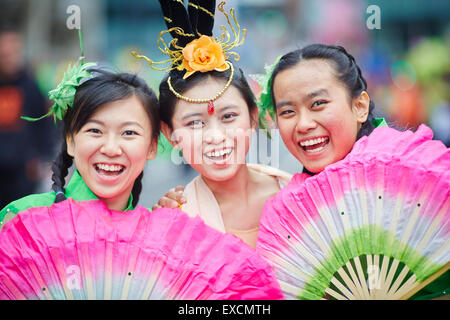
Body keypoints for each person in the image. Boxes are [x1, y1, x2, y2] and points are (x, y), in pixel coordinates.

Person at [260, 43, 448, 300]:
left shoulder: (415, 173)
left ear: (359, 106)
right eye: (288, 112)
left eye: (318, 103)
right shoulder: (287, 207)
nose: (303, 124)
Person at [137, 0, 292, 248]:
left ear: (253, 116)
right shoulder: (176, 224)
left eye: (228, 117)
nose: (216, 136)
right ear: (171, 134)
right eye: (195, 123)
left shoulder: (296, 194)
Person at [0, 67, 160, 226]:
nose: (111, 149)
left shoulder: (159, 231)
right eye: (95, 130)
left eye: (129, 132)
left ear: (152, 146)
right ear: (70, 141)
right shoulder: (24, 218)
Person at [0, 25, 55, 209]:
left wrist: (43, 157)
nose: (9, 57)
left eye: (13, 51)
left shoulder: (31, 86)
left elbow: (44, 123)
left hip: (22, 170)